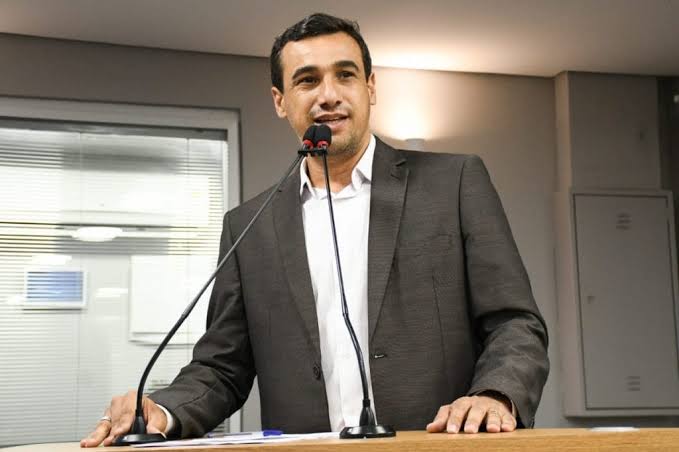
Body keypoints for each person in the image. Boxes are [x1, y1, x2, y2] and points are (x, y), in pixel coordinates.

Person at [81, 13, 548, 448]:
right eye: (307, 80)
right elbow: (222, 366)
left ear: (370, 87)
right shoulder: (249, 226)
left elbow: (515, 322)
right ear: (280, 101)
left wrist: (495, 394)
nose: (329, 95)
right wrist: (161, 410)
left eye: (345, 75)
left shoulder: (455, 183)